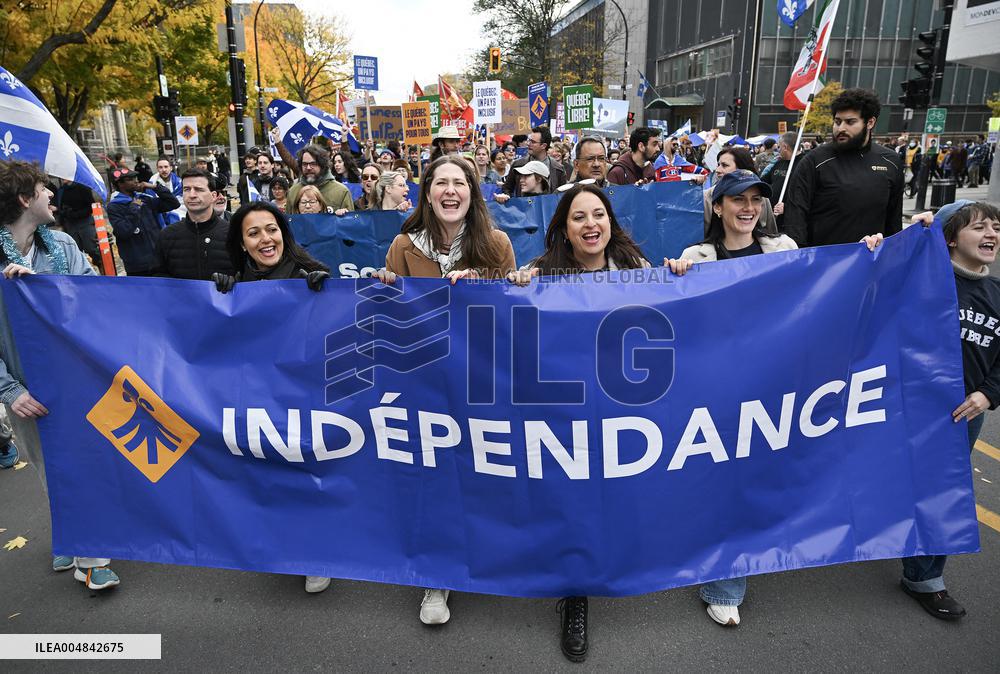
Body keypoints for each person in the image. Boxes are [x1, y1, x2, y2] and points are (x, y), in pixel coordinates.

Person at [506, 183, 649, 663]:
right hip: (564, 413)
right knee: (572, 501)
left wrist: (679, 278)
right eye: (579, 217)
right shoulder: (542, 273)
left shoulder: (637, 268)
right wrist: (515, 288)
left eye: (598, 215)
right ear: (564, 230)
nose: (591, 225)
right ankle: (575, 595)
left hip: (624, 412)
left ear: (610, 221)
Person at [0, 159, 120, 589]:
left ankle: (90, 558)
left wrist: (43, 290)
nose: (53, 194)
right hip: (26, 391)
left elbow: (90, 302)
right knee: (49, 469)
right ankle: (72, 535)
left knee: (81, 467)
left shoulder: (64, 245)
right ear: (24, 199)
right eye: (43, 189)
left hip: (75, 381)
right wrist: (9, 390)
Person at [900, 199, 1000, 621]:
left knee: (943, 491)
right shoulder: (925, 277)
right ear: (952, 238)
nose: (991, 234)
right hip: (905, 403)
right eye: (979, 227)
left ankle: (925, 578)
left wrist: (988, 395)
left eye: (995, 227)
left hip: (962, 413)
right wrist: (920, 229)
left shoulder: (997, 294)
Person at [782, 88, 903, 247]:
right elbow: (795, 219)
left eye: (850, 122)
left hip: (870, 258)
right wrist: (801, 258)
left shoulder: (891, 161)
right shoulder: (814, 160)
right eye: (837, 121)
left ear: (870, 122)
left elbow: (894, 221)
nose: (840, 128)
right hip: (822, 258)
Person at [153, 168, 235, 280]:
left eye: (199, 189)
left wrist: (233, 281)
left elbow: (245, 274)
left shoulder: (232, 234)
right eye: (187, 189)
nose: (192, 195)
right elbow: (158, 277)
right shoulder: (167, 236)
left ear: (213, 196)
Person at [106, 167, 180, 276]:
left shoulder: (144, 199)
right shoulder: (114, 206)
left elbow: (173, 203)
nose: (136, 181)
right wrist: (134, 208)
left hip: (159, 260)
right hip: (137, 265)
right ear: (120, 184)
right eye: (130, 179)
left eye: (136, 178)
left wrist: (155, 187)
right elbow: (124, 231)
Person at [703, 147, 778, 236]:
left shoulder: (762, 196)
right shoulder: (706, 197)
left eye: (724, 165)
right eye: (738, 199)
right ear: (717, 207)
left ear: (742, 168)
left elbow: (771, 231)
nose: (718, 170)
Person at [502, 126, 566, 195]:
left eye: (533, 142)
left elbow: (563, 195)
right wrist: (506, 197)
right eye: (529, 140)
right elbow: (507, 188)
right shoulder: (518, 164)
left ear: (543, 146)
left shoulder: (558, 168)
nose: (528, 144)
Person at [152, 156, 185, 225]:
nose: (164, 170)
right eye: (160, 167)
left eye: (166, 167)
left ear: (171, 168)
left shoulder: (179, 183)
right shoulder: (151, 184)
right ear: (157, 169)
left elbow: (182, 202)